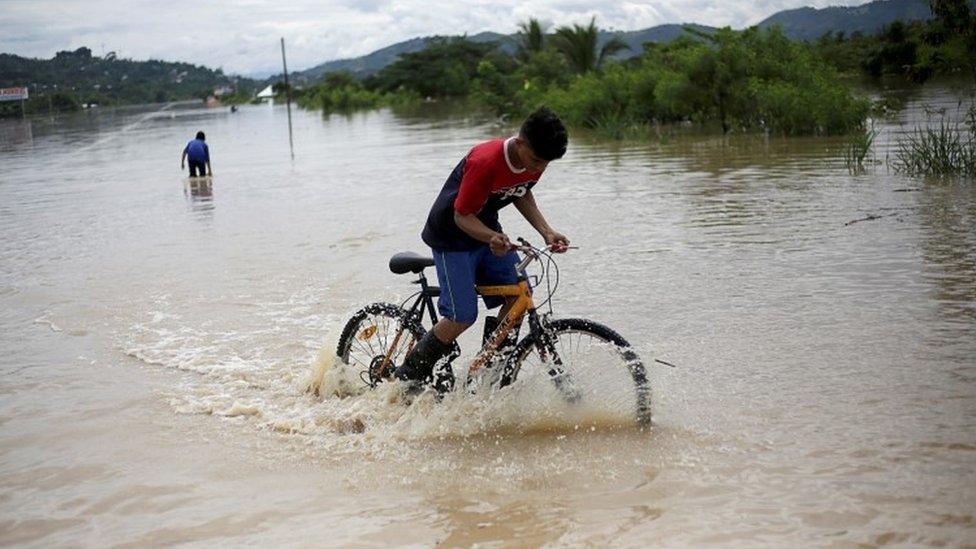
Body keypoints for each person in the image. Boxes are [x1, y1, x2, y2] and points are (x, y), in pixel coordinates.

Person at [394, 106, 570, 390]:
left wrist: (546, 231)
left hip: (485, 230)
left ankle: (488, 372)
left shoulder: (533, 161)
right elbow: (461, 215)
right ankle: (406, 378)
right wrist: (491, 237)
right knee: (462, 315)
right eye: (536, 160)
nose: (538, 169)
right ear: (520, 142)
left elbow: (520, 191)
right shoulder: (486, 160)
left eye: (545, 164)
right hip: (452, 236)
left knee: (518, 296)